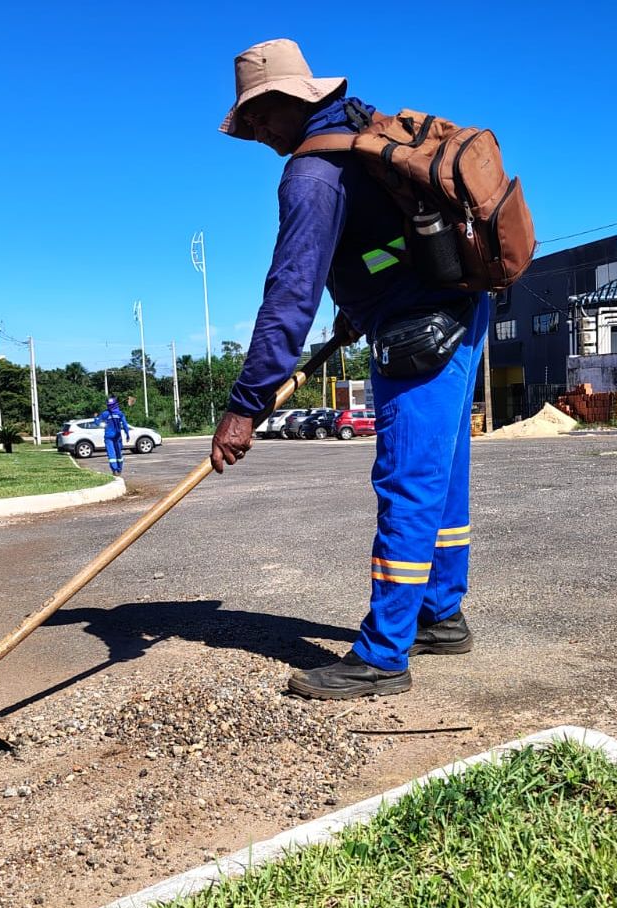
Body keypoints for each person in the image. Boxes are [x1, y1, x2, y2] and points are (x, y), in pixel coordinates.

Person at [209, 39, 488, 700]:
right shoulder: (360, 129)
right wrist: (359, 306)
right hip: (459, 306)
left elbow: (289, 295)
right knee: (441, 481)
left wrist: (246, 405)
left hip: (421, 328)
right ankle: (440, 616)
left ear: (285, 103)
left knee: (409, 483)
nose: (256, 134)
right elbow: (382, 243)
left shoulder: (311, 173)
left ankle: (385, 655)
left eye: (258, 119)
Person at [98, 395, 130, 476]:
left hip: (108, 437)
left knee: (111, 454)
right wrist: (127, 434)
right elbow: (125, 425)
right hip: (117, 436)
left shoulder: (105, 414)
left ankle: (114, 469)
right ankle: (119, 469)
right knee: (119, 453)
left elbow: (97, 422)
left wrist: (101, 423)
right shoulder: (120, 414)